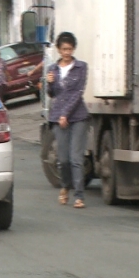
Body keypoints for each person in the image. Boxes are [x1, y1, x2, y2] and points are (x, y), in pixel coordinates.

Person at [46, 32, 90, 209]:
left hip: (78, 116)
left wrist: (66, 114)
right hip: (58, 118)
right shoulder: (53, 69)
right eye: (64, 49)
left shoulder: (81, 67)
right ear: (58, 49)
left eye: (70, 49)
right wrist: (50, 83)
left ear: (74, 49)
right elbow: (53, 94)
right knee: (62, 159)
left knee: (76, 158)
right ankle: (65, 187)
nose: (67, 52)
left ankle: (79, 196)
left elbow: (78, 93)